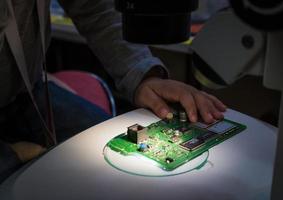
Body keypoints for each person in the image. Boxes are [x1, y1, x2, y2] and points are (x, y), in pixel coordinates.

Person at [0, 0, 226, 183]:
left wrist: (144, 76)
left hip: (25, 91)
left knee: (110, 151)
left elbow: (94, 9)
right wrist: (9, 158)